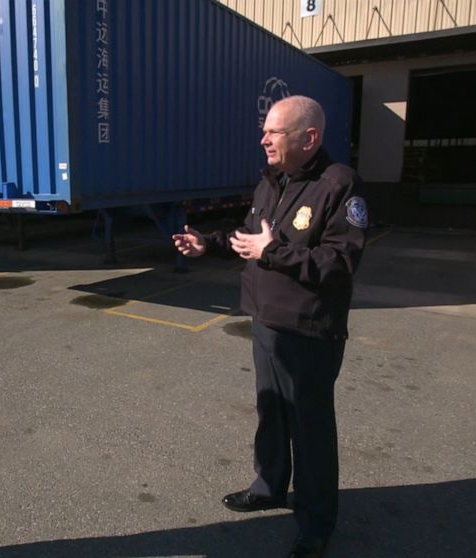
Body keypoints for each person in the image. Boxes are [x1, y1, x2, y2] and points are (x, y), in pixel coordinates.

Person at [172, 95, 367, 558]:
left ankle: (316, 522)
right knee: (272, 412)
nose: (263, 139)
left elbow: (340, 263)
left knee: (311, 427)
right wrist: (209, 244)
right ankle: (269, 485)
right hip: (266, 322)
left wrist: (272, 252)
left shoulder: (338, 184)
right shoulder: (271, 183)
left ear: (309, 138)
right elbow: (250, 240)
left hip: (309, 332)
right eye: (266, 130)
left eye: (274, 132)